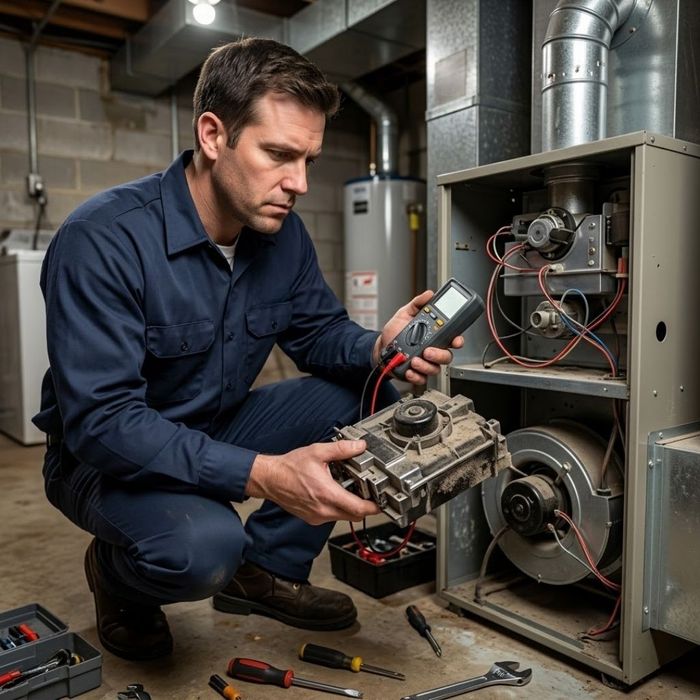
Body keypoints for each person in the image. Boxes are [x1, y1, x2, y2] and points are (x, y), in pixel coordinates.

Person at [33, 37, 462, 661]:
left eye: (309, 159)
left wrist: (378, 346)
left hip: (214, 422)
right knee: (201, 550)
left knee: (363, 396)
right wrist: (266, 476)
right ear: (213, 135)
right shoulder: (102, 241)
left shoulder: (280, 234)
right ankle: (120, 580)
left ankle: (264, 571)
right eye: (280, 154)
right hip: (102, 458)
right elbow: (104, 424)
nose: (300, 183)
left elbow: (318, 335)